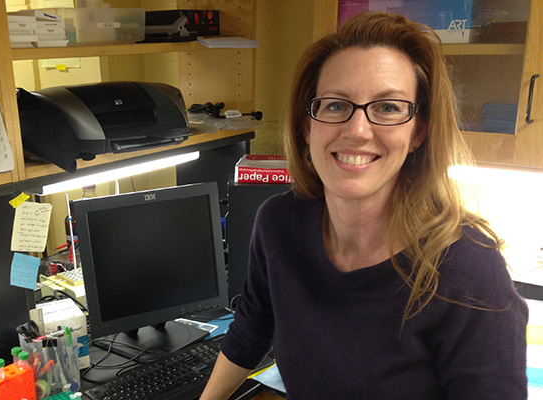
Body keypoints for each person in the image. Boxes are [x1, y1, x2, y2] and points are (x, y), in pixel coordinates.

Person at [200, 11, 528, 400]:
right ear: (308, 126)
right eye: (336, 105)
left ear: (418, 131)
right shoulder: (278, 224)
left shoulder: (469, 270)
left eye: (388, 107)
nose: (356, 130)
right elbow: (250, 331)